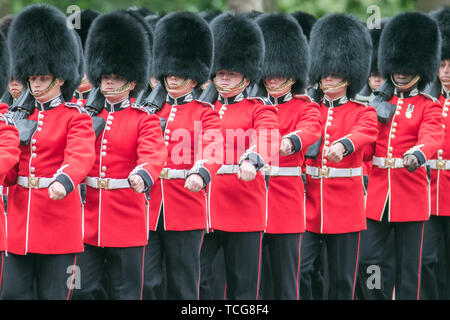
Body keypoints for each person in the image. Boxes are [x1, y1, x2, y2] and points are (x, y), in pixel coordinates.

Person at [69, 10, 166, 300]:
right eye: (105, 77)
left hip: (126, 218)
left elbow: (153, 152)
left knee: (126, 292)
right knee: (80, 290)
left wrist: (143, 173)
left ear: (132, 82)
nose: (109, 83)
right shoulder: (85, 116)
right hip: (89, 219)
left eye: (116, 78)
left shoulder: (144, 118)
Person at [1, 4, 96, 300]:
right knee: (13, 294)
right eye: (32, 78)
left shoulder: (75, 117)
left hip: (57, 223)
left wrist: (64, 180)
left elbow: (80, 154)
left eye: (43, 78)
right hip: (20, 225)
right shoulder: (16, 116)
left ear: (60, 78)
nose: (36, 84)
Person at [359, 12, 444, 300]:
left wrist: (417, 154)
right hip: (379, 195)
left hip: (410, 195)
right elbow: (367, 143)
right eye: (398, 68)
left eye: (407, 69)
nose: (401, 74)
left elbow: (433, 137)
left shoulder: (428, 106)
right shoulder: (380, 103)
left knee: (412, 268)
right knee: (368, 260)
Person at [201, 12, 280, 300]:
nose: (224, 78)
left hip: (244, 206)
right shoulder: (204, 107)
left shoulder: (259, 108)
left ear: (246, 78)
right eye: (220, 73)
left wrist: (253, 159)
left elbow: (267, 135)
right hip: (207, 208)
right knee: (199, 279)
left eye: (231, 74)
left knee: (243, 285)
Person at [144, 11, 222, 300]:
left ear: (195, 78)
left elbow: (213, 148)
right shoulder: (150, 111)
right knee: (148, 282)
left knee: (183, 285)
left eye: (180, 73)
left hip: (185, 206)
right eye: (169, 72)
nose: (173, 77)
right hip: (150, 206)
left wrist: (200, 172)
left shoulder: (205, 113)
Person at [300, 13, 378, 300]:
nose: (328, 77)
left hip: (345, 207)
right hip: (310, 205)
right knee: (301, 270)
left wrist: (343, 146)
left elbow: (363, 134)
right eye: (325, 72)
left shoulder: (363, 111)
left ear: (349, 76)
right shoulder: (309, 108)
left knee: (342, 281)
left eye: (335, 73)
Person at [255, 13, 321, 300]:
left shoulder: (305, 107)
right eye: (268, 73)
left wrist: (289, 142)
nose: (272, 79)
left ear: (292, 75)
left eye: (278, 74)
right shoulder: (254, 106)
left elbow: (310, 130)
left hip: (285, 202)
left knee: (286, 283)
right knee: (255, 282)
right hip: (253, 200)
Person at [420, 7, 450, 300]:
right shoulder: (428, 101)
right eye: (441, 64)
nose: (446, 72)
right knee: (426, 260)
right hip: (428, 193)